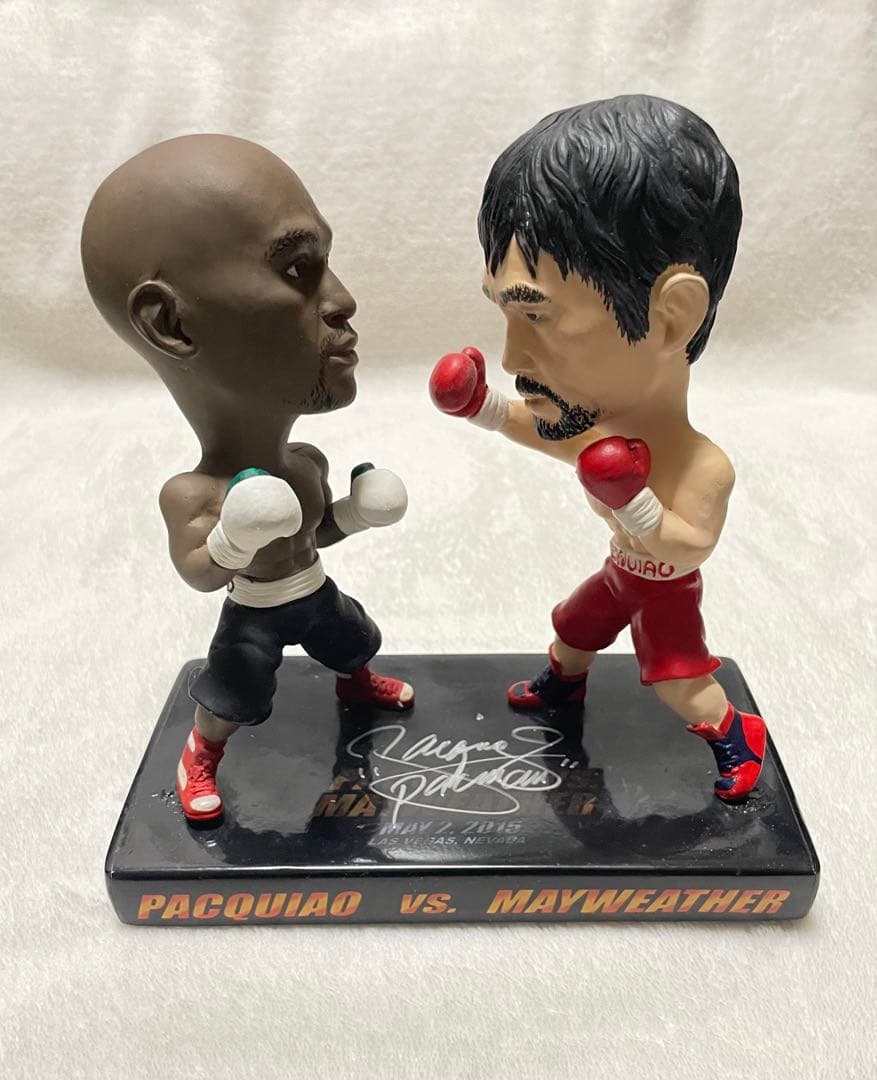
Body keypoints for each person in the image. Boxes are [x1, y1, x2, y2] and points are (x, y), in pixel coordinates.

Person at [430, 95, 766, 802]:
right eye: (505, 313)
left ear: (670, 316)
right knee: (575, 624)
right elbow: (538, 431)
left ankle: (737, 734)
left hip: (665, 590)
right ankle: (563, 682)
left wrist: (634, 502)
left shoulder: (703, 466)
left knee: (678, 679)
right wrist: (481, 406)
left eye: (538, 315)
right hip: (621, 571)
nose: (511, 356)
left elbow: (687, 548)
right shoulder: (594, 435)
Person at [82, 134, 413, 824]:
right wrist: (234, 535)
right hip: (254, 612)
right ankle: (200, 755)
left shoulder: (306, 463)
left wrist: (356, 515)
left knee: (351, 637)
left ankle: (356, 683)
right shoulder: (194, 494)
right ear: (171, 322)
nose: (344, 300)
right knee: (234, 689)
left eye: (325, 264)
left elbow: (316, 530)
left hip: (313, 591)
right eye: (297, 269)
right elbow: (202, 573)